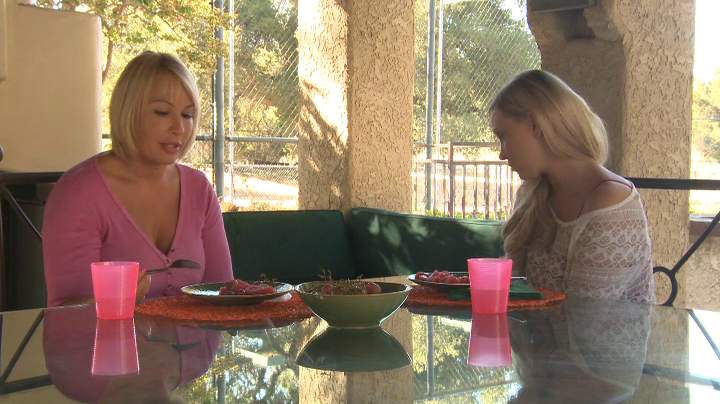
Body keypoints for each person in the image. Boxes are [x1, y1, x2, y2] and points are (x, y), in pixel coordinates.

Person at [43, 51, 233, 307]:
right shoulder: (79, 192)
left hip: (197, 336)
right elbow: (64, 314)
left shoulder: (199, 189)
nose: (179, 128)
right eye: (162, 112)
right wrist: (116, 301)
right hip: (102, 336)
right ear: (128, 112)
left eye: (188, 115)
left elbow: (223, 294)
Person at [490, 70, 655, 303]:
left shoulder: (611, 201)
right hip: (535, 328)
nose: (502, 154)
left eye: (504, 137)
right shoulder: (532, 193)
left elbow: (585, 318)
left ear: (536, 126)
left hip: (594, 329)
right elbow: (515, 294)